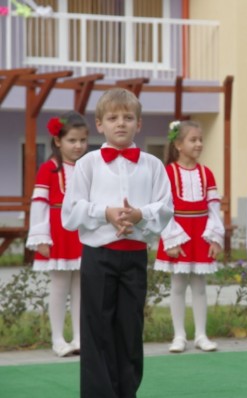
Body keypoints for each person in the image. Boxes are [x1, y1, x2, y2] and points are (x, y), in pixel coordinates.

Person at [62, 88, 174, 397]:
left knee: (129, 331)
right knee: (96, 331)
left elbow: (166, 208)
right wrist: (106, 213)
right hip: (98, 257)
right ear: (99, 124)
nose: (120, 123)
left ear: (139, 124)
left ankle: (127, 392)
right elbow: (70, 213)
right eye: (112, 118)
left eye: (128, 117)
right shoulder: (88, 164)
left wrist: (139, 215)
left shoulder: (152, 165)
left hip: (135, 257)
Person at [154, 120, 224, 353]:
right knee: (177, 286)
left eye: (200, 139)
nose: (199, 144)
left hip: (201, 234)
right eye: (193, 140)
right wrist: (172, 240)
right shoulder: (168, 172)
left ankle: (201, 335)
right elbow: (163, 208)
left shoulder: (207, 174)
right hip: (179, 233)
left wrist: (214, 237)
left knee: (200, 286)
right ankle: (179, 335)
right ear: (178, 144)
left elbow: (214, 207)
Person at [26, 111, 88, 357]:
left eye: (82, 140)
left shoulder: (87, 167)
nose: (78, 146)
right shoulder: (48, 169)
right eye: (72, 140)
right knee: (60, 287)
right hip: (58, 234)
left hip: (82, 232)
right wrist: (41, 237)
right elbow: (39, 203)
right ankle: (57, 339)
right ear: (58, 141)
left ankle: (80, 338)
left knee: (82, 288)